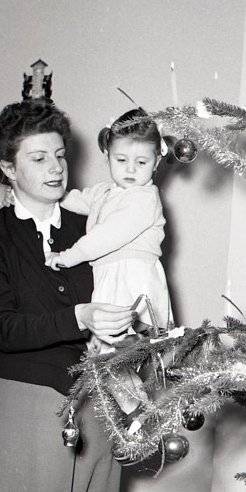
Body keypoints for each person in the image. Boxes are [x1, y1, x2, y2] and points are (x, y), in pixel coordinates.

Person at [0, 98, 136, 492]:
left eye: (59, 155)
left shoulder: (94, 229)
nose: (56, 167)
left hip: (100, 400)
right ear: (7, 168)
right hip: (28, 407)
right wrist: (79, 316)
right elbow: (3, 328)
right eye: (38, 158)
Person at [45, 108, 174, 416]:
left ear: (156, 162)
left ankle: (140, 411)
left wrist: (66, 257)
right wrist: (44, 196)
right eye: (121, 160)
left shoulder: (144, 198)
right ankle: (137, 410)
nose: (130, 169)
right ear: (107, 156)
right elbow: (74, 199)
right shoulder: (105, 192)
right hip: (110, 278)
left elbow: (105, 237)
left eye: (141, 162)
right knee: (106, 352)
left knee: (110, 351)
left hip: (131, 278)